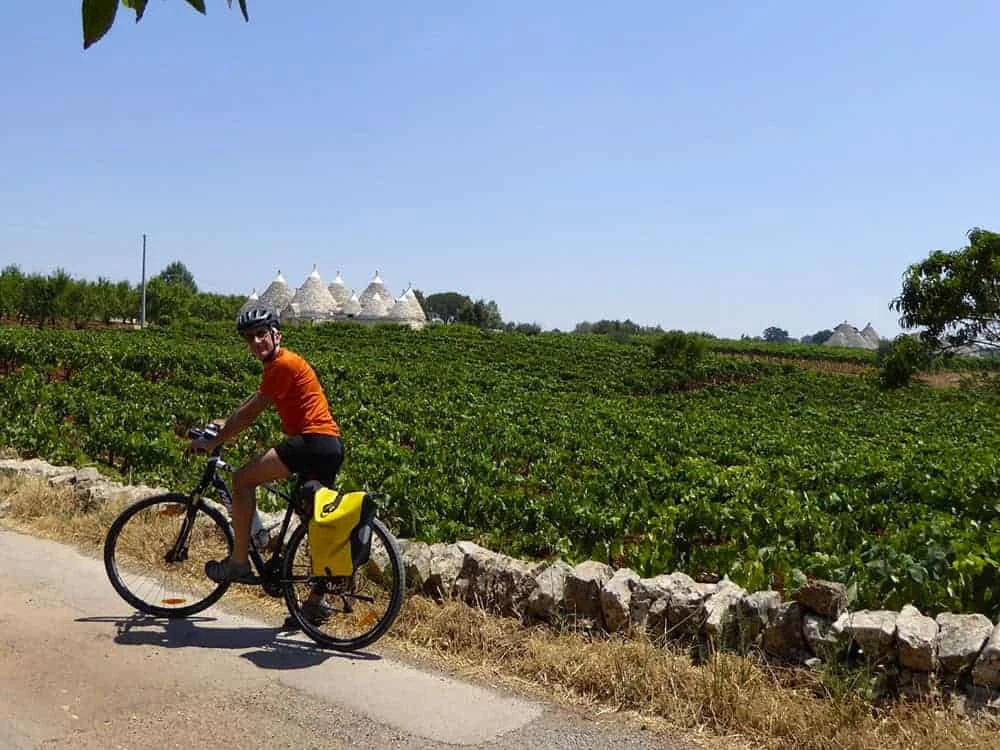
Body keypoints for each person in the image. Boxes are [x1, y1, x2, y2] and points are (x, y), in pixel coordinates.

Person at [189, 304, 343, 588]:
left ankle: (238, 563)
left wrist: (213, 442)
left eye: (261, 334)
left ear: (276, 335)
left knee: (242, 479)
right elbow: (253, 400)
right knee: (314, 522)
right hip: (329, 446)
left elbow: (250, 414)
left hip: (312, 442)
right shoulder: (279, 365)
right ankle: (315, 602)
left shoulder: (284, 364)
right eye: (250, 337)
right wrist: (224, 423)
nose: (256, 341)